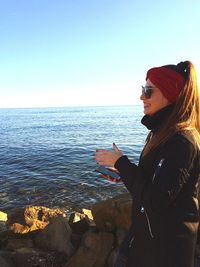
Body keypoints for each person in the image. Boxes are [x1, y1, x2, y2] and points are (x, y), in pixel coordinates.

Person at [94, 60, 200, 267]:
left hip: (164, 253)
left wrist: (122, 163)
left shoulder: (181, 142)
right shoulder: (161, 133)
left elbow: (156, 201)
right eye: (143, 90)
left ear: (170, 94)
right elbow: (156, 184)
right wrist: (122, 171)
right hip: (142, 242)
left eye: (148, 91)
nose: (141, 96)